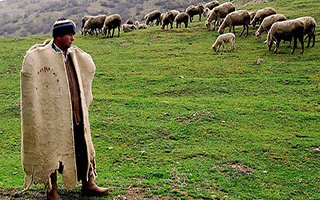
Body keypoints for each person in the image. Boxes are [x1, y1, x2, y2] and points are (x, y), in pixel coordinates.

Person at [20, 18, 108, 200]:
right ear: (59, 36)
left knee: (84, 145)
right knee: (52, 149)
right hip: (54, 116)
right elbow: (31, 77)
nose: (73, 39)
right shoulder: (43, 57)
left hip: (77, 113)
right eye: (70, 34)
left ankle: (88, 183)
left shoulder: (74, 55)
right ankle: (52, 190)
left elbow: (87, 68)